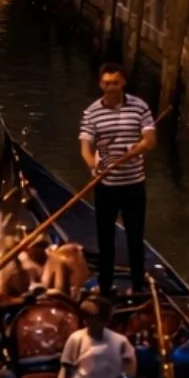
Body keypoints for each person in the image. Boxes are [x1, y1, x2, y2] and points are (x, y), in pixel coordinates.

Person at [79, 63, 158, 296]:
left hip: (134, 184)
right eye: (106, 83)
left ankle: (137, 286)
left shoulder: (139, 107)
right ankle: (105, 288)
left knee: (135, 237)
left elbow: (150, 140)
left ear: (123, 82)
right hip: (106, 186)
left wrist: (136, 150)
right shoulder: (91, 112)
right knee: (105, 240)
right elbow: (86, 148)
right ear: (100, 84)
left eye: (115, 83)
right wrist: (94, 166)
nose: (110, 87)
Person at [55, 296, 136, 378]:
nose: (87, 320)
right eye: (86, 316)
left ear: (105, 320)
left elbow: (129, 371)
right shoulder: (76, 338)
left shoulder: (120, 341)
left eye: (93, 317)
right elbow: (65, 368)